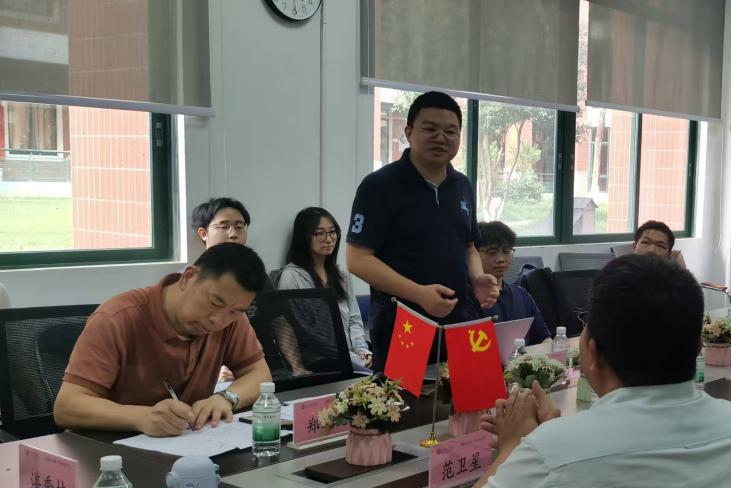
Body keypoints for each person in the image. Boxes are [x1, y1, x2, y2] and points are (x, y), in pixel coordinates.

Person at [438, 255, 731, 488]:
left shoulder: (555, 453)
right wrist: (544, 443)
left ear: (591, 351)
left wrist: (514, 447)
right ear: (698, 345)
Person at [53, 243, 272, 437]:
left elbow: (259, 374)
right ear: (188, 277)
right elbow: (67, 407)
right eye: (215, 303)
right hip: (108, 450)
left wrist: (226, 398)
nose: (218, 320)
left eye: (235, 311)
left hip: (185, 446)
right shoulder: (117, 318)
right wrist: (142, 417)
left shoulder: (231, 320)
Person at [347, 91, 498, 369]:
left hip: (462, 320)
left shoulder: (462, 185)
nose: (441, 138)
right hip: (405, 325)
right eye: (430, 129)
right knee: (406, 397)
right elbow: (357, 259)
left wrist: (477, 277)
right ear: (408, 132)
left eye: (450, 131)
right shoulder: (379, 186)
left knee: (471, 393)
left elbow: (469, 246)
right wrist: (419, 294)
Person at [275, 207, 372, 371]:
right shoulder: (292, 277)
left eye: (333, 232)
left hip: (351, 355)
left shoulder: (341, 276)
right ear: (304, 238)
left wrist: (362, 350)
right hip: (319, 360)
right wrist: (353, 358)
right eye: (320, 234)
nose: (329, 239)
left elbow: (354, 319)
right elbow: (304, 332)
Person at [476, 221, 550, 344]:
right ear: (475, 254)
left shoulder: (522, 295)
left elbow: (544, 338)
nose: (500, 259)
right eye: (492, 252)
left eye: (506, 251)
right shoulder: (469, 299)